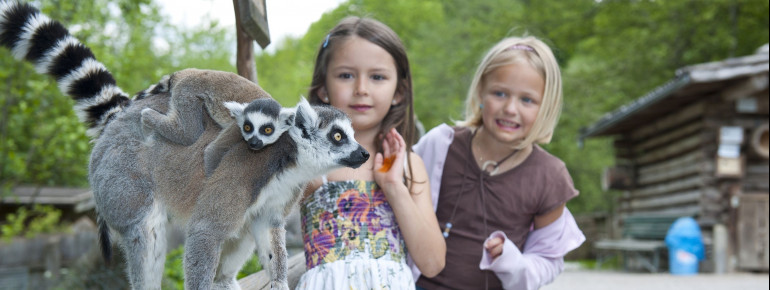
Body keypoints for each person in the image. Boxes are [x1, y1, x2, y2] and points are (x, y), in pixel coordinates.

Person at [412, 36, 585, 290]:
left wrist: (511, 261)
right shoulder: (440, 145)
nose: (510, 109)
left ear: (545, 106)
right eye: (500, 93)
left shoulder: (550, 176)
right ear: (481, 92)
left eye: (527, 100)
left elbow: (547, 260)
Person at [296, 16, 446, 289]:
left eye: (377, 77)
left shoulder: (409, 165)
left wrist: (393, 186)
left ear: (399, 92)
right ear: (323, 89)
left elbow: (432, 263)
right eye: (346, 75)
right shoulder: (309, 164)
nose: (361, 89)